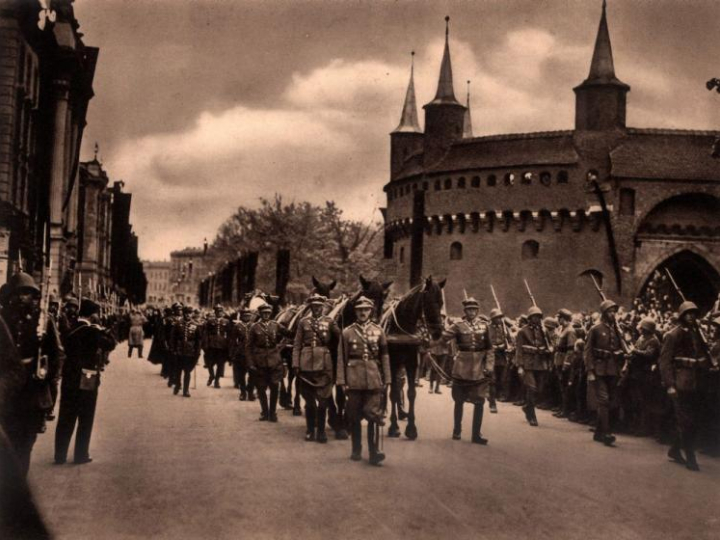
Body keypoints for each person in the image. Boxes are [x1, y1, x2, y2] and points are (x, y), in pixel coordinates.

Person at [0, 272, 64, 475]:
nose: (21, 298)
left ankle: (18, 480)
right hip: (7, 392)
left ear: (34, 296)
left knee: (25, 443)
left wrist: (45, 371)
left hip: (31, 392)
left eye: (26, 293)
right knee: (7, 441)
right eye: (18, 293)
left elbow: (57, 354)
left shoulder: (43, 321)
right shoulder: (4, 320)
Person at [54, 298, 116, 465]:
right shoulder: (93, 332)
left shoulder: (70, 328)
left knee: (66, 416)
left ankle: (59, 455)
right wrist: (102, 328)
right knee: (85, 416)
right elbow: (111, 344)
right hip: (88, 377)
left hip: (69, 377)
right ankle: (80, 454)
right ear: (93, 314)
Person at [659, 301, 719, 471]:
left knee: (693, 421)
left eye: (693, 313)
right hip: (681, 383)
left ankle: (675, 449)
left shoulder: (697, 333)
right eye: (688, 313)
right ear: (682, 316)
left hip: (698, 383)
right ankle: (690, 457)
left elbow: (703, 354)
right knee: (686, 421)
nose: (691, 316)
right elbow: (665, 362)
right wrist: (669, 385)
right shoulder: (673, 335)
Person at [337, 296, 391, 465]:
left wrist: (387, 378)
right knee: (354, 415)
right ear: (355, 311)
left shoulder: (379, 331)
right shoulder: (347, 332)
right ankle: (356, 449)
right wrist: (341, 381)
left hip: (374, 378)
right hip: (353, 379)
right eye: (359, 309)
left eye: (366, 309)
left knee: (373, 414)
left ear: (371, 311)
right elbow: (341, 357)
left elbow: (384, 356)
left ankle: (374, 451)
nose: (362, 312)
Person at [442, 297, 494, 443]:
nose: (472, 312)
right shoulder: (458, 326)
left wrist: (489, 366)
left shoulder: (485, 326)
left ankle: (476, 434)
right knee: (459, 401)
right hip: (461, 367)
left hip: (478, 368)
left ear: (477, 311)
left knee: (479, 401)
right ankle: (457, 430)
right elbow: (442, 338)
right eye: (469, 309)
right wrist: (429, 343)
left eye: (474, 309)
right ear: (465, 311)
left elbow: (490, 349)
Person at [292, 294, 340, 443]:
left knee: (324, 401)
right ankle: (310, 430)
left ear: (324, 307)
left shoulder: (330, 322)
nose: (317, 309)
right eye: (314, 306)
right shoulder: (303, 322)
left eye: (319, 306)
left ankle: (321, 432)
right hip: (306, 364)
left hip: (325, 365)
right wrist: (296, 363)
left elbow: (339, 341)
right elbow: (297, 345)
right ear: (310, 307)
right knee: (310, 402)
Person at [584, 299, 628, 446]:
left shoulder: (616, 329)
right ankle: (607, 433)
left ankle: (598, 432)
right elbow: (588, 351)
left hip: (613, 368)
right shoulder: (595, 329)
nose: (613, 314)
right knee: (603, 400)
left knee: (610, 401)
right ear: (604, 313)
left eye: (614, 311)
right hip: (599, 368)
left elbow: (621, 346)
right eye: (610, 311)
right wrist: (590, 370)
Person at [247, 303, 288, 422]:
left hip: (275, 361)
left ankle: (272, 412)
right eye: (264, 313)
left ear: (270, 314)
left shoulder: (276, 325)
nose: (266, 315)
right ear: (260, 314)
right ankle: (264, 412)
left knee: (275, 387)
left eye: (268, 313)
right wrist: (250, 363)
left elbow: (290, 334)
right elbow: (248, 347)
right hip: (259, 362)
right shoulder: (254, 327)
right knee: (261, 388)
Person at [515, 306, 552, 427]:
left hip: (541, 363)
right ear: (530, 318)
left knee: (540, 389)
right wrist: (520, 366)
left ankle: (527, 407)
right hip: (528, 363)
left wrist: (549, 350)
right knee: (532, 388)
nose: (536, 319)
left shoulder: (544, 331)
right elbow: (519, 350)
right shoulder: (522, 331)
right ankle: (532, 415)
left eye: (538, 317)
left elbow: (550, 345)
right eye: (534, 317)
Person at [170, 306, 202, 397]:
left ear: (192, 314)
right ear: (184, 314)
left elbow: (199, 340)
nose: (188, 315)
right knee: (178, 370)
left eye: (190, 313)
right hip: (179, 350)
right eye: (186, 313)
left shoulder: (196, 325)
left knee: (187, 371)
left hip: (190, 351)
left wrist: (197, 350)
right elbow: (173, 338)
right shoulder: (177, 324)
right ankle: (177, 385)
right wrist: (173, 349)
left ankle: (186, 390)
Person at [553, 309, 576, 419]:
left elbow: (571, 349)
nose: (558, 320)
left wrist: (567, 363)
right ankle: (562, 407)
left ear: (564, 319)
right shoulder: (562, 329)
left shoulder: (570, 331)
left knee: (565, 386)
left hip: (564, 361)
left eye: (560, 318)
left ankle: (566, 410)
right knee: (561, 386)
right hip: (559, 359)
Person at [488, 308, 513, 410]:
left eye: (500, 318)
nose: (499, 319)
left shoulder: (505, 328)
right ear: (493, 319)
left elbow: (510, 342)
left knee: (501, 379)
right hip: (491, 357)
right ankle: (492, 403)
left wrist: (507, 347)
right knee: (492, 380)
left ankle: (495, 396)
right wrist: (492, 347)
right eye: (497, 318)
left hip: (502, 357)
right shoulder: (487, 328)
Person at [202, 305, 231, 388]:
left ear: (223, 312)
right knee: (209, 363)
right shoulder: (210, 321)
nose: (219, 313)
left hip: (222, 345)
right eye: (218, 312)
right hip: (212, 344)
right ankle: (211, 375)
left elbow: (229, 334)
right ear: (215, 312)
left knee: (220, 364)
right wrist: (206, 343)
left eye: (221, 312)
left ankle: (217, 380)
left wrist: (228, 344)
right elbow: (206, 333)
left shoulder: (227, 321)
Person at [230, 308, 255, 401]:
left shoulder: (254, 326)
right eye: (245, 316)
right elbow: (233, 341)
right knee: (241, 375)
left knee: (253, 374)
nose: (247, 317)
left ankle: (251, 392)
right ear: (242, 316)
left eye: (248, 315)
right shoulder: (237, 326)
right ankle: (243, 392)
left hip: (252, 354)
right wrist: (232, 354)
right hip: (241, 353)